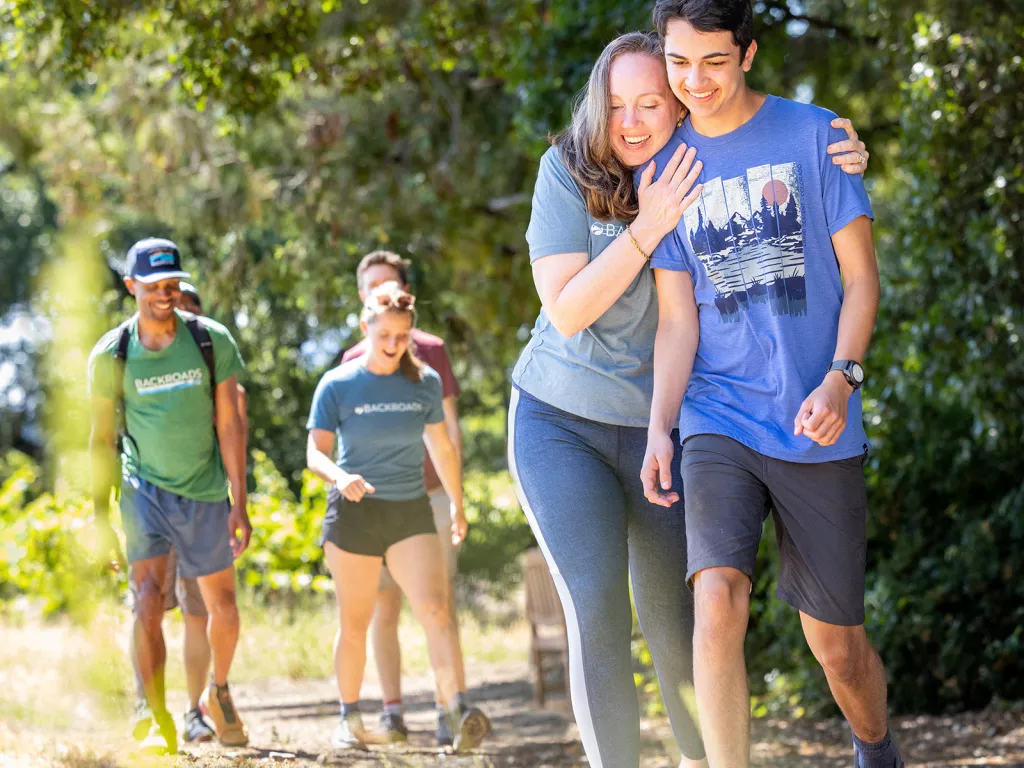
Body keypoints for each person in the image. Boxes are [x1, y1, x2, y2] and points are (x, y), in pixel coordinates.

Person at [506, 29, 870, 768]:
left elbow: (784, 161)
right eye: (616, 106)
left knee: (679, 624)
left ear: (681, 105)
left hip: (660, 426)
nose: (633, 121)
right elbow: (568, 311)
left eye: (651, 102)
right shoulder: (565, 173)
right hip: (560, 423)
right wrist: (645, 228)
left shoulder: (701, 164)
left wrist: (846, 151)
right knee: (597, 611)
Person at [641, 2, 901, 766]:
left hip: (814, 418)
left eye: (714, 62)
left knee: (837, 648)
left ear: (748, 53)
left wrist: (840, 381)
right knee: (716, 600)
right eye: (680, 63)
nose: (695, 82)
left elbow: (862, 281)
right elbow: (677, 323)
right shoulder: (665, 165)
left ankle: (876, 748)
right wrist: (662, 425)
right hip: (716, 415)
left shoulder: (817, 137)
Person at [305, 281, 490, 753]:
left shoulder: (424, 382)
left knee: (435, 610)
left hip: (410, 509)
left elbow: (441, 447)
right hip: (355, 513)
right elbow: (314, 453)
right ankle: (349, 717)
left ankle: (456, 710)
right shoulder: (338, 383)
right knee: (356, 620)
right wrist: (338, 476)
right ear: (366, 327)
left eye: (401, 336)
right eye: (384, 334)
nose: (392, 345)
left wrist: (458, 505)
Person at [89, 238, 252, 754]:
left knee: (221, 607)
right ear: (130, 286)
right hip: (144, 491)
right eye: (154, 285)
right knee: (146, 602)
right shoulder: (112, 353)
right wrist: (98, 516)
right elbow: (101, 440)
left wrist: (240, 500)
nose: (165, 294)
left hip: (204, 491)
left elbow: (230, 423)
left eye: (172, 284)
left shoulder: (211, 340)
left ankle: (217, 692)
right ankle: (154, 713)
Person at [340, 251, 470, 746]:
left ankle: (449, 710)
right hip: (374, 507)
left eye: (392, 286)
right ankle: (391, 712)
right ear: (362, 300)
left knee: (438, 607)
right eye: (374, 287)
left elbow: (448, 431)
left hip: (429, 499)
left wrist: (457, 495)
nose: (384, 294)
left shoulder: (432, 352)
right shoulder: (350, 363)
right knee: (383, 609)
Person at [128, 281, 252, 745]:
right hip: (151, 500)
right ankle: (147, 705)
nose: (178, 317)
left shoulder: (212, 355)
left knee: (203, 614)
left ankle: (196, 709)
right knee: (147, 604)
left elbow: (234, 433)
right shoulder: (130, 355)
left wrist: (237, 503)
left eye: (187, 310)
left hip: (203, 502)